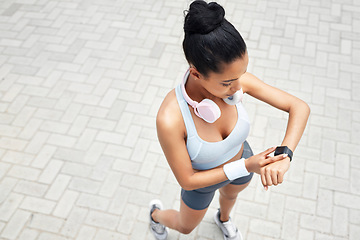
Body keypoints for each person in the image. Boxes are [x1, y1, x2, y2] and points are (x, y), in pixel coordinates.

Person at [149, 1, 310, 239]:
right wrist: (246, 166)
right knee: (185, 227)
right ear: (196, 73)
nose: (238, 88)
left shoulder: (237, 82)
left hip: (244, 161)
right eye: (227, 83)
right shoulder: (170, 118)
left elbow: (299, 107)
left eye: (241, 75)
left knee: (230, 196)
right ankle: (155, 216)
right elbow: (188, 180)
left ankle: (223, 218)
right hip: (205, 181)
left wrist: (285, 155)